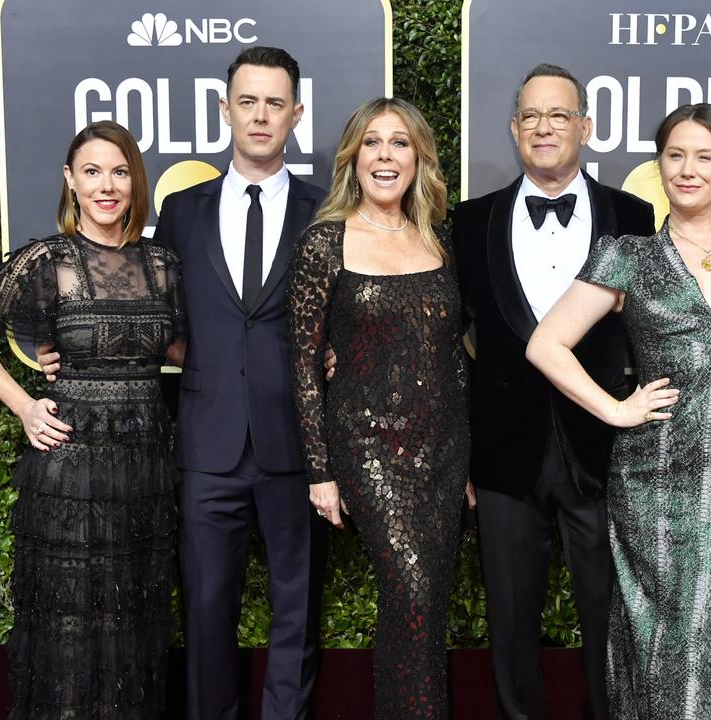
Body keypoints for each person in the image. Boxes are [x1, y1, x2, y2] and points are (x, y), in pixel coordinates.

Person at [42, 47, 328, 719]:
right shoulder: (181, 212)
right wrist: (72, 349)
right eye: (247, 101)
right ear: (225, 109)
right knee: (204, 613)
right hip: (206, 444)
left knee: (297, 612)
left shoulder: (326, 213)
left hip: (298, 443)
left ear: (297, 114)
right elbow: (152, 313)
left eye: (275, 103)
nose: (260, 116)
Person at [527, 103, 711, 719]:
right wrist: (615, 410)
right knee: (668, 628)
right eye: (674, 155)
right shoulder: (627, 255)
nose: (687, 169)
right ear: (660, 165)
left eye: (704, 156)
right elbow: (545, 344)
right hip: (653, 473)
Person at [0, 120, 182, 718]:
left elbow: (184, 350)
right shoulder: (45, 259)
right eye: (93, 172)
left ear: (136, 181)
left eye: (120, 171)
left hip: (145, 470)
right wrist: (24, 405)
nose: (107, 186)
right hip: (70, 470)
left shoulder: (162, 263)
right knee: (70, 633)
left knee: (134, 624)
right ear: (70, 181)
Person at [450, 63, 654, 720]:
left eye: (559, 114)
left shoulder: (635, 217)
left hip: (605, 449)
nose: (544, 127)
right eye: (531, 116)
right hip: (504, 457)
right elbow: (448, 341)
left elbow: (656, 334)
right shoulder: (469, 222)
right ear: (514, 130)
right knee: (510, 624)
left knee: (609, 623)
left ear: (585, 128)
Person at [288, 96, 467, 720]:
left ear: (418, 158)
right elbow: (304, 364)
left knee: (423, 605)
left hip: (444, 449)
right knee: (409, 590)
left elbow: (451, 358)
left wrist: (467, 463)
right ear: (353, 157)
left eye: (399, 143)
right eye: (372, 142)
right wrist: (320, 472)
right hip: (366, 447)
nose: (385, 155)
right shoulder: (324, 242)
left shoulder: (436, 240)